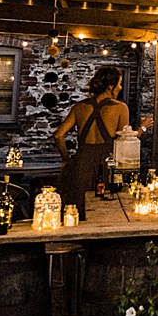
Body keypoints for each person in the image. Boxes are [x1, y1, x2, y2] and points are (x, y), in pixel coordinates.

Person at [54, 66, 128, 213]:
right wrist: (142, 129)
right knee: (106, 209)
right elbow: (124, 140)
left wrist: (66, 159)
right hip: (107, 163)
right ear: (110, 86)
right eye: (119, 84)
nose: (120, 87)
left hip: (82, 162)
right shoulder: (120, 108)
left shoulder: (80, 106)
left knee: (76, 209)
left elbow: (58, 135)